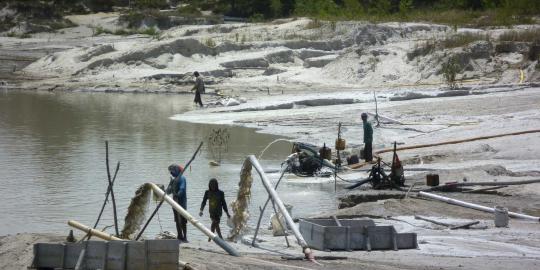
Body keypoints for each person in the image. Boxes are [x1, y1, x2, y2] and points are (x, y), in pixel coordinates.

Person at [166, 164, 188, 242]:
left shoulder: (182, 178)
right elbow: (168, 192)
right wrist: (169, 184)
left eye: (172, 171)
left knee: (183, 220)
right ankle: (180, 235)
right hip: (174, 203)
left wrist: (178, 194)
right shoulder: (174, 181)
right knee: (177, 220)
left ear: (177, 170)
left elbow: (182, 188)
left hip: (182, 203)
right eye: (170, 172)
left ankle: (185, 236)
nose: (171, 173)